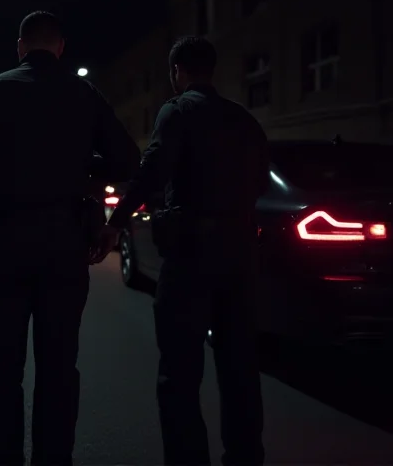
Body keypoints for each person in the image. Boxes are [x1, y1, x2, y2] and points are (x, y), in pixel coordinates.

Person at [0, 11, 140, 466]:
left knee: (2, 366)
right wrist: (82, 173)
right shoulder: (84, 93)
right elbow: (128, 161)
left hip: (7, 239)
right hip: (66, 241)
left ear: (21, 46)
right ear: (61, 47)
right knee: (59, 366)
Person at [101, 36, 269, 466]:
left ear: (177, 71)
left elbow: (152, 170)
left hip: (192, 253)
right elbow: (261, 182)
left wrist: (115, 223)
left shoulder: (177, 110)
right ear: (212, 69)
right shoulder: (244, 119)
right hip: (239, 253)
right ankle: (245, 457)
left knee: (179, 371)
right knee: (240, 367)